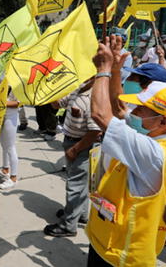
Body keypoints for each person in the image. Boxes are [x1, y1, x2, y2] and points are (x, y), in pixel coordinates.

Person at [87, 36, 166, 266]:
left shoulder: (153, 153)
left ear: (163, 121)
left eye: (142, 110)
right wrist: (116, 70)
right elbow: (119, 108)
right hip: (125, 243)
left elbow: (100, 114)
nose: (134, 112)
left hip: (120, 252)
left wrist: (103, 70)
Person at [44, 79, 102, 237]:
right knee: (80, 184)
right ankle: (80, 215)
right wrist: (50, 90)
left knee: (75, 186)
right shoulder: (78, 89)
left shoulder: (93, 98)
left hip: (81, 146)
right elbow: (57, 105)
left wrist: (75, 149)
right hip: (71, 142)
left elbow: (95, 132)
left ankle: (68, 225)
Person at [0, 89, 21, 190]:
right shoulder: (3, 78)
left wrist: (2, 103)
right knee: (4, 144)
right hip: (1, 113)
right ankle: (5, 170)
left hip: (11, 116)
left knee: (10, 146)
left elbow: (20, 103)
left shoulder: (20, 81)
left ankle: (13, 177)